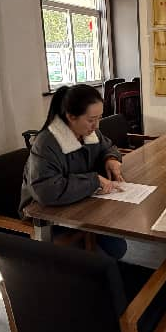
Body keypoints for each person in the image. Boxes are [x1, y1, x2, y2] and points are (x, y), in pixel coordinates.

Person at [19, 84, 128, 259]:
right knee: (101, 260)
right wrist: (94, 180)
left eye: (99, 118)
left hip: (82, 204)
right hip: (49, 217)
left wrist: (111, 159)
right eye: (91, 120)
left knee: (117, 248)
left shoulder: (89, 132)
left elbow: (108, 147)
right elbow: (46, 191)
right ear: (71, 117)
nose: (96, 125)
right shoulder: (46, 143)